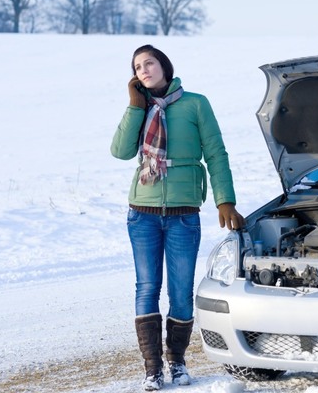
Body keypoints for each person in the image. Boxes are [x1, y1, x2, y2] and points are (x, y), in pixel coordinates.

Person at [110, 44, 244, 391]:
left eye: (149, 62)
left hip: (184, 213)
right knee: (147, 288)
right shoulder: (140, 108)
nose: (143, 70)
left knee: (181, 292)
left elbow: (216, 153)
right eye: (137, 66)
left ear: (164, 66)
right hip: (142, 213)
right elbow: (121, 152)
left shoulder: (195, 103)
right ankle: (152, 369)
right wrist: (134, 106)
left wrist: (224, 200)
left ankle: (179, 363)